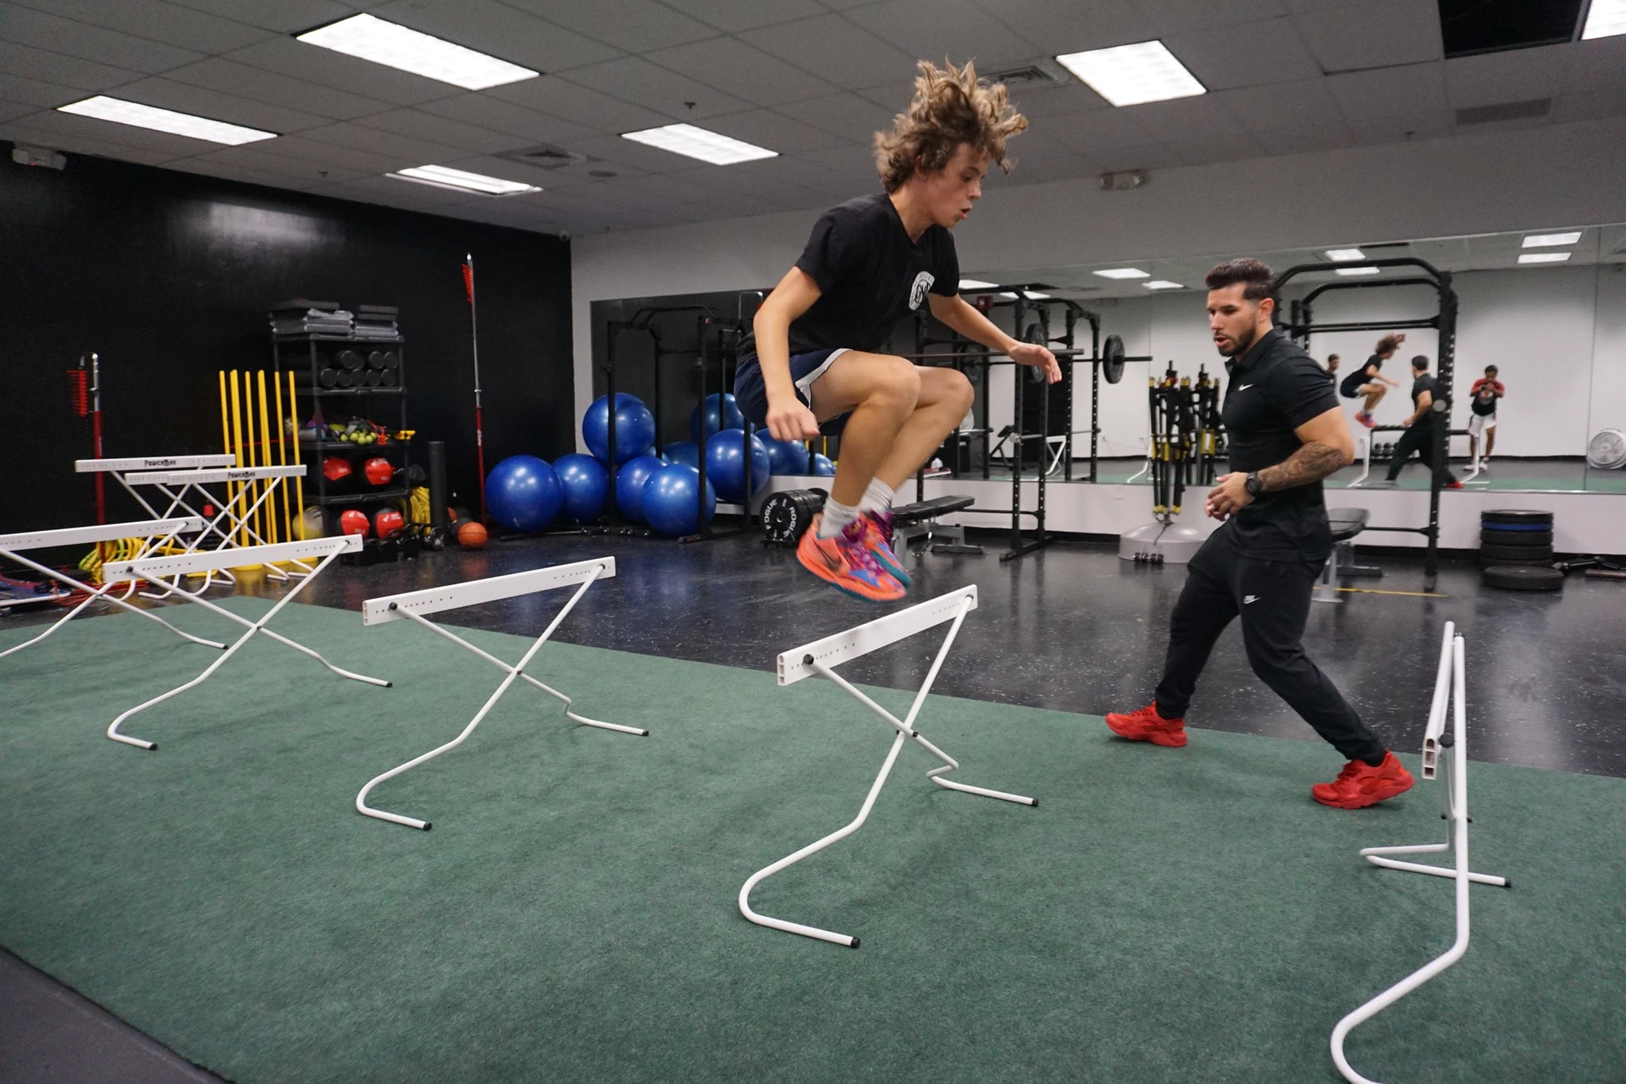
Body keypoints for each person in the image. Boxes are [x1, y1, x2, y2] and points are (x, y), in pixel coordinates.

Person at [733, 61, 1059, 602]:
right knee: (900, 378)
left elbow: (949, 307)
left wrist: (1010, 345)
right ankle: (831, 531)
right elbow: (772, 314)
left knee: (956, 389)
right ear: (923, 165)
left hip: (837, 379)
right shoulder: (857, 225)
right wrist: (777, 396)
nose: (976, 192)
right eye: (967, 175)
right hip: (774, 375)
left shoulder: (934, 243)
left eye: (979, 179)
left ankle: (868, 515)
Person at [1105, 258, 1415, 810]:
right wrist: (1245, 491)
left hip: (1285, 536)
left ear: (1263, 307)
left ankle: (1373, 763)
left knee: (1274, 657)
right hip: (1247, 529)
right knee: (1191, 613)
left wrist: (1254, 482)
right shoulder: (1244, 363)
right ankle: (1166, 718)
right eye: (1211, 311)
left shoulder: (1287, 368)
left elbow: (1337, 449)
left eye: (1229, 310)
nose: (1216, 321)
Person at [1383, 355, 1463, 488]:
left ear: (1413, 368)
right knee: (1427, 458)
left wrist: (1412, 418)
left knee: (1400, 450)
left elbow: (1426, 401)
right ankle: (1452, 482)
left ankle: (1388, 482)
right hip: (1434, 426)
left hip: (1422, 426)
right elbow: (1448, 402)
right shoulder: (1436, 382)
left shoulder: (1420, 382)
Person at [1338, 334, 1403, 428]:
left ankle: (1367, 414)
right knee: (1380, 388)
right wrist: (1389, 381)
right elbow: (1370, 371)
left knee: (1383, 389)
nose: (1393, 354)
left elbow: (1388, 344)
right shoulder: (1376, 359)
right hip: (1348, 387)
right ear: (1389, 351)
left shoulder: (1376, 358)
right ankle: (1363, 415)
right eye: (1393, 351)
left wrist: (1396, 341)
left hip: (1355, 386)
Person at [1467, 364, 1504, 468]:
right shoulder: (1479, 382)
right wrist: (1481, 388)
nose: (1490, 379)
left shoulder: (1498, 385)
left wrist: (1493, 390)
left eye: (1492, 377)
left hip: (1489, 414)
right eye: (1488, 376)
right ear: (1485, 375)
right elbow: (1471, 393)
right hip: (1477, 413)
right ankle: (1473, 460)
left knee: (1490, 434)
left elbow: (1501, 394)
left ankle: (1486, 458)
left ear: (1496, 376)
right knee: (1473, 436)